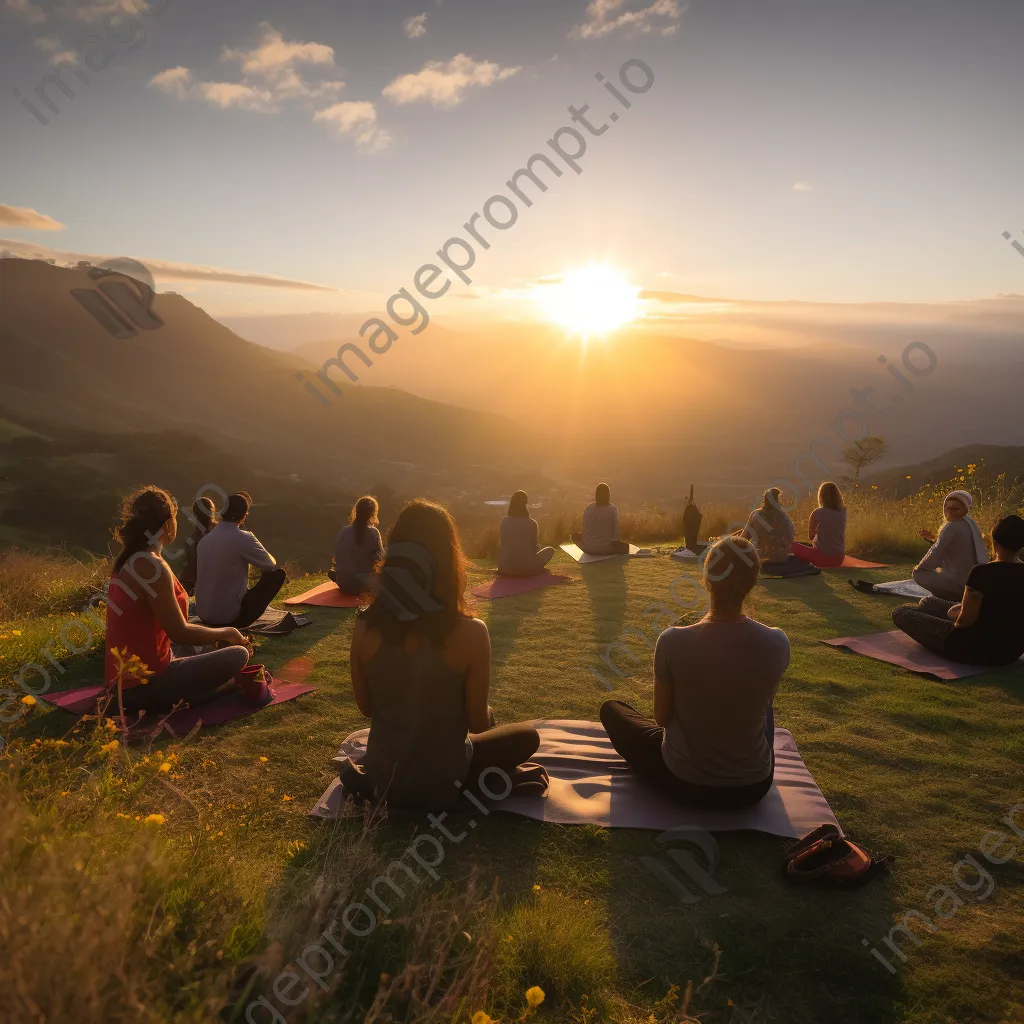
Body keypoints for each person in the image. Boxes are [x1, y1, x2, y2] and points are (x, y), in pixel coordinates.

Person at [348, 500, 544, 810]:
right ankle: (489, 782)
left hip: (384, 777)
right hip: (444, 779)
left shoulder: (363, 625)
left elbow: (367, 708)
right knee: (525, 737)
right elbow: (478, 723)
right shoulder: (472, 633)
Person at [600, 535, 788, 808]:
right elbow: (764, 702)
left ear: (707, 579)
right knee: (765, 710)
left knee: (612, 709)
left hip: (685, 782)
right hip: (754, 787)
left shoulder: (673, 640)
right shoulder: (777, 641)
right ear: (752, 582)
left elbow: (662, 718)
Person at [104, 486, 251, 715]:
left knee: (203, 642)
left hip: (125, 677)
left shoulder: (129, 558)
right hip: (146, 683)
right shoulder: (152, 565)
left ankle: (198, 687)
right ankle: (210, 692)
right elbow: (179, 632)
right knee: (238, 654)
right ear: (167, 524)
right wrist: (228, 631)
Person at [892, 514, 1024, 666]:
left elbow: (964, 622)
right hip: (1011, 652)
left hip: (972, 648)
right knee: (928, 601)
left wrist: (954, 615)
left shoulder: (982, 573)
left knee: (901, 612)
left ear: (994, 541)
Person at [195, 491, 287, 628]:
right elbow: (270, 564)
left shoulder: (204, 541)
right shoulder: (243, 538)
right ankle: (240, 619)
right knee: (277, 575)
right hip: (228, 617)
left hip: (203, 613)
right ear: (244, 515)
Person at [912, 489, 989, 600]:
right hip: (975, 584)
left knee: (918, 573)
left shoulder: (951, 527)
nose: (950, 512)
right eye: (948, 508)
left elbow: (934, 555)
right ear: (944, 507)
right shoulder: (971, 524)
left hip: (959, 585)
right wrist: (933, 538)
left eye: (955, 509)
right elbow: (957, 547)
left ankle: (948, 597)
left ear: (965, 509)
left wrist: (921, 568)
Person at [329, 495, 383, 596]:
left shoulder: (344, 531)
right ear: (373, 513)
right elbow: (380, 560)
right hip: (363, 586)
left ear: (356, 511)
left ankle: (339, 576)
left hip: (343, 583)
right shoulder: (373, 532)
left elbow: (337, 557)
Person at [497, 490, 556, 576]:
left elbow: (503, 545)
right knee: (550, 550)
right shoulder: (532, 523)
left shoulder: (504, 522)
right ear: (525, 503)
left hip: (505, 568)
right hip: (528, 569)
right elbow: (534, 548)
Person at [791, 482, 847, 567]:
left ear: (821, 496)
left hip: (822, 558)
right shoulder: (843, 511)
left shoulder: (818, 512)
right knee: (806, 546)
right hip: (840, 558)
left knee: (789, 544)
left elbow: (811, 537)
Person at [572, 483, 630, 556]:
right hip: (606, 549)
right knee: (626, 547)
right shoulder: (612, 509)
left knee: (574, 535)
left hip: (588, 548)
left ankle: (592, 547)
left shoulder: (588, 508)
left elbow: (585, 529)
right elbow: (616, 533)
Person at [744, 487, 795, 564]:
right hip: (782, 559)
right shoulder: (785, 517)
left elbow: (744, 539)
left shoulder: (755, 515)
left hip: (761, 559)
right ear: (777, 500)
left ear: (764, 500)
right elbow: (791, 538)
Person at [180, 496, 217, 596]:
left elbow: (193, 566)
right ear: (212, 512)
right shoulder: (223, 532)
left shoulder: (190, 541)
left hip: (203, 589)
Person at [682, 484, 704, 553]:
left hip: (691, 540)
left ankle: (691, 547)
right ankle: (691, 547)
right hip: (690, 523)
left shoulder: (690, 510)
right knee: (690, 541)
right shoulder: (689, 510)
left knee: (691, 541)